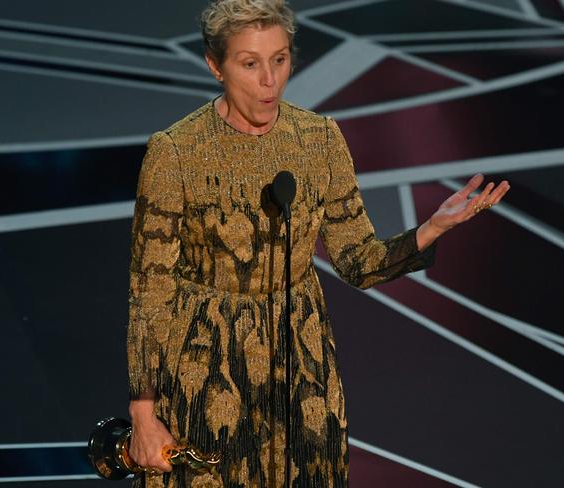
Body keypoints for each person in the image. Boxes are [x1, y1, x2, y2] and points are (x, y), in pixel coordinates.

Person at [125, 1, 510, 486]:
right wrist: (143, 412)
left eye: (280, 59)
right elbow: (149, 290)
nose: (269, 80)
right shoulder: (175, 152)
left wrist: (430, 230)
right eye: (250, 63)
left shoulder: (319, 139)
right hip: (205, 367)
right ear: (214, 65)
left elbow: (357, 261)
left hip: (301, 369)